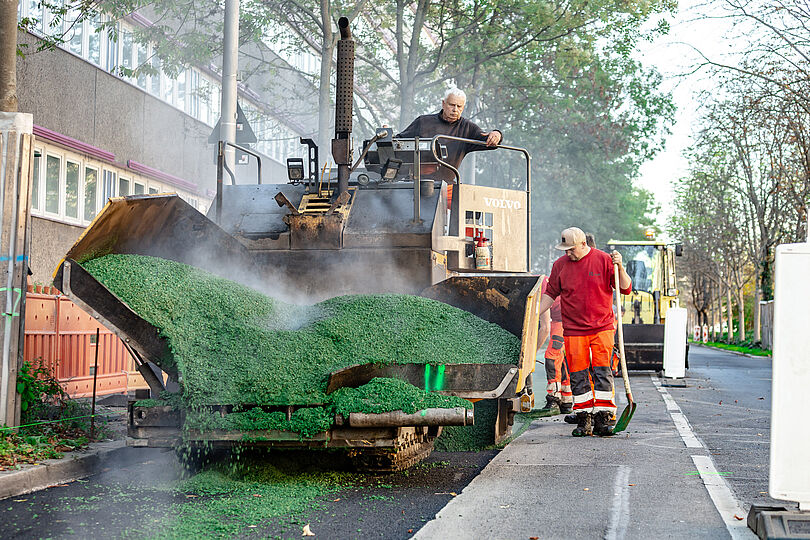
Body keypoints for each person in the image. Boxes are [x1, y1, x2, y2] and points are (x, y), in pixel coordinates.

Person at [537, 227, 632, 437]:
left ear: (583, 244)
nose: (567, 253)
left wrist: (621, 267)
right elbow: (551, 294)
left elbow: (625, 288)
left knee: (602, 373)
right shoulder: (559, 266)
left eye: (571, 249)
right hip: (573, 331)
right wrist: (534, 313)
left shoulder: (604, 260)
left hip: (602, 328)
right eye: (565, 250)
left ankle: (603, 418)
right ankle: (583, 419)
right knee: (578, 376)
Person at [395, 87, 503, 182]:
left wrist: (497, 134)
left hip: (447, 186)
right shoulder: (423, 121)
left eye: (459, 106)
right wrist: (388, 139)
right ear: (443, 104)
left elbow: (487, 140)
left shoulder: (467, 128)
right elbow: (398, 142)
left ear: (463, 108)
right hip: (417, 183)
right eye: (451, 105)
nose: (455, 110)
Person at [536, 274, 573, 415]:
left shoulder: (541, 291)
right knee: (562, 361)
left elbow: (544, 328)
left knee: (552, 357)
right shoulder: (542, 283)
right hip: (564, 320)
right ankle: (566, 401)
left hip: (565, 322)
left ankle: (554, 399)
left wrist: (531, 355)